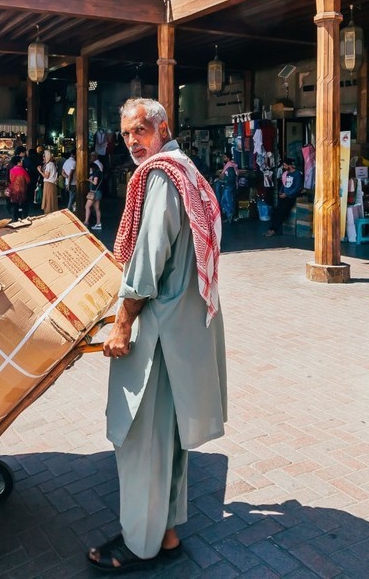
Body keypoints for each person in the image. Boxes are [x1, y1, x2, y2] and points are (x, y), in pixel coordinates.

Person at [88, 98, 227, 572]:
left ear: (163, 127)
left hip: (159, 334)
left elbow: (148, 261)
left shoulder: (163, 176)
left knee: (141, 442)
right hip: (184, 332)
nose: (132, 142)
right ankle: (165, 535)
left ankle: (140, 545)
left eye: (141, 131)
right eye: (126, 134)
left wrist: (122, 321)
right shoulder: (187, 170)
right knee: (168, 440)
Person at [264, 158, 302, 237]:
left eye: (285, 165)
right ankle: (271, 229)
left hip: (290, 197)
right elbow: (283, 184)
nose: (284, 167)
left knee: (282, 213)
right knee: (277, 212)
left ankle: (274, 230)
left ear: (289, 165)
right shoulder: (286, 173)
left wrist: (287, 194)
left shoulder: (297, 174)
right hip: (284, 195)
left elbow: (297, 187)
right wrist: (281, 192)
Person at [84, 156, 106, 230]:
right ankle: (98, 223)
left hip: (94, 193)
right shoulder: (100, 172)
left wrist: (89, 180)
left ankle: (86, 222)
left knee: (87, 207)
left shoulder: (96, 173)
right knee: (97, 208)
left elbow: (95, 182)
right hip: (99, 192)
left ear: (93, 168)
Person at [216, 156, 238, 224]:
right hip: (227, 186)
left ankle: (231, 215)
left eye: (225, 157)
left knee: (228, 202)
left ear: (228, 158)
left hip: (229, 186)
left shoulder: (230, 167)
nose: (223, 158)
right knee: (225, 202)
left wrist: (224, 178)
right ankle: (230, 215)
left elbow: (231, 178)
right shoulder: (228, 166)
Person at [41, 149, 60, 214]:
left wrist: (39, 171)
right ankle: (52, 211)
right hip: (52, 184)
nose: (43, 158)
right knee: (52, 199)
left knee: (48, 199)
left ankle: (48, 212)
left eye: (44, 156)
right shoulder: (52, 164)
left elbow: (46, 176)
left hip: (48, 184)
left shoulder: (49, 165)